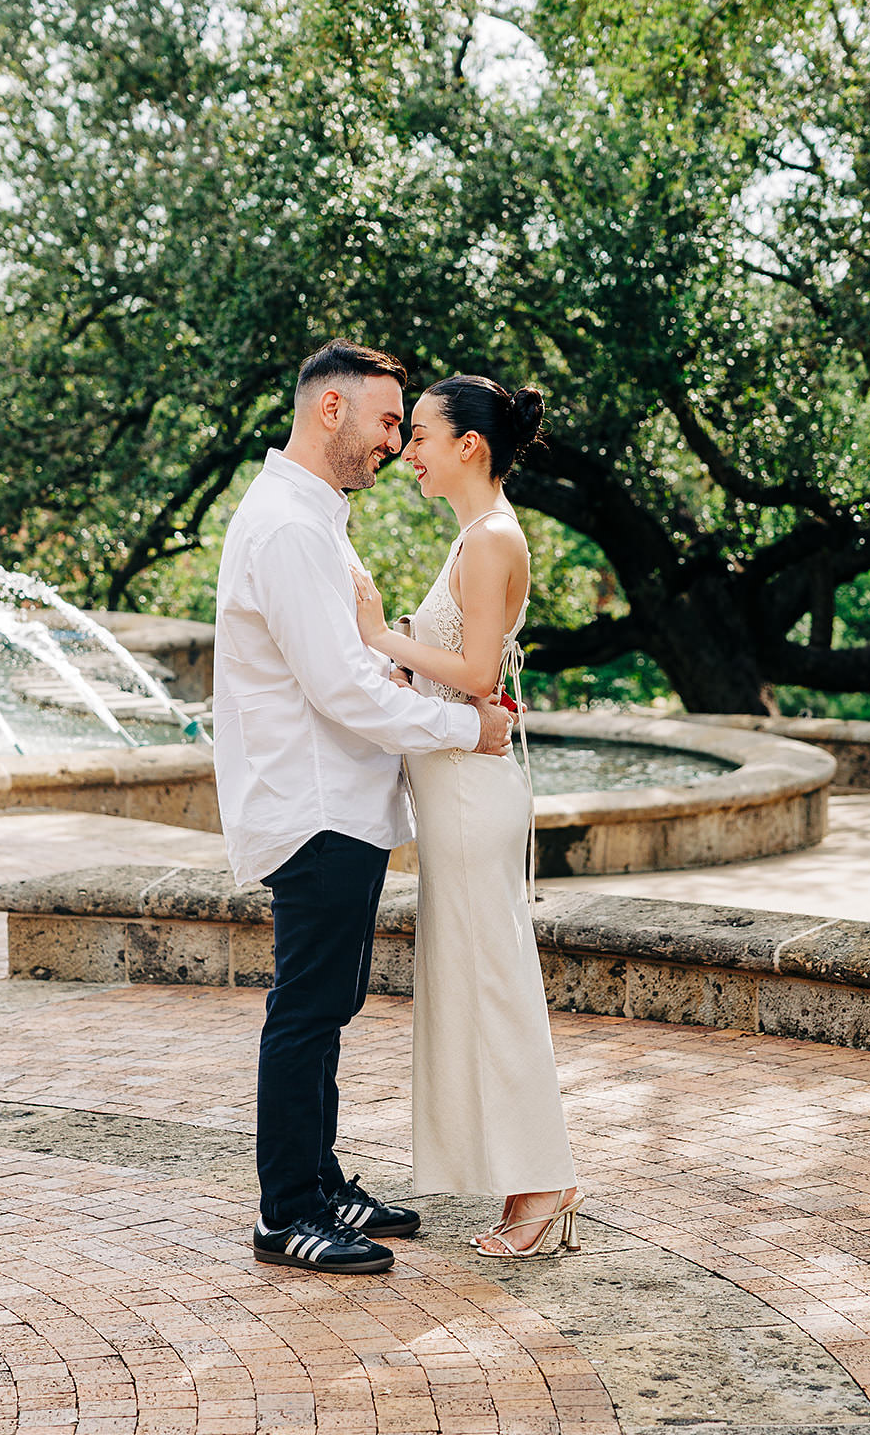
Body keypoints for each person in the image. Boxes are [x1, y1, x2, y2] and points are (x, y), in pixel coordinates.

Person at [213, 339, 514, 1276]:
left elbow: (350, 661)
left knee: (332, 1000)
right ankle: (285, 1211)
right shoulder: (291, 528)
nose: (397, 439)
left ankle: (321, 1177)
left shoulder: (316, 516)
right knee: (305, 1009)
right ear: (330, 411)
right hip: (313, 805)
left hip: (340, 798)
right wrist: (468, 731)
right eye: (389, 420)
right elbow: (342, 688)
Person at [351, 375, 582, 1259]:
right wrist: (404, 659)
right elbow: (455, 666)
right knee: (472, 985)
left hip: (471, 797)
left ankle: (546, 1184)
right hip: (451, 794)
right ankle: (523, 1176)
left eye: (420, 437)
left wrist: (379, 634)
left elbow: (480, 674)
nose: (407, 454)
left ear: (468, 447)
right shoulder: (475, 539)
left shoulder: (490, 541)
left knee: (497, 988)